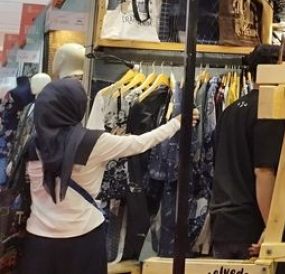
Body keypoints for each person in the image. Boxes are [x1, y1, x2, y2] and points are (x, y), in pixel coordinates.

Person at [20, 78, 181, 274]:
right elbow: (140, 143)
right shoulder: (93, 142)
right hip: (83, 239)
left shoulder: (33, 144)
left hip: (39, 242)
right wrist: (176, 123)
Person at [209, 44, 285, 259]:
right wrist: (271, 228)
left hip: (224, 224)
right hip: (253, 228)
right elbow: (263, 173)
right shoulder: (269, 111)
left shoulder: (229, 111)